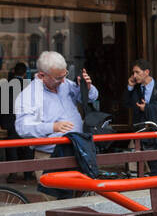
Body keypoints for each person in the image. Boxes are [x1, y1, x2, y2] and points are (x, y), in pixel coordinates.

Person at [13, 50, 99, 197]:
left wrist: (87, 88)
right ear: (41, 75)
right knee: (57, 205)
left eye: (65, 75)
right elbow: (22, 128)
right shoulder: (29, 94)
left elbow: (91, 98)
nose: (64, 80)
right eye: (59, 78)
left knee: (82, 201)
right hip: (50, 155)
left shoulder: (65, 84)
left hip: (77, 151)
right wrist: (52, 127)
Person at [127, 58, 157, 174]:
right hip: (142, 131)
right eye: (133, 73)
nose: (134, 75)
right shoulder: (136, 89)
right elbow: (127, 104)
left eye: (137, 72)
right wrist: (130, 87)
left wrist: (147, 108)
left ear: (146, 72)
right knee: (140, 164)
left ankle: (156, 188)